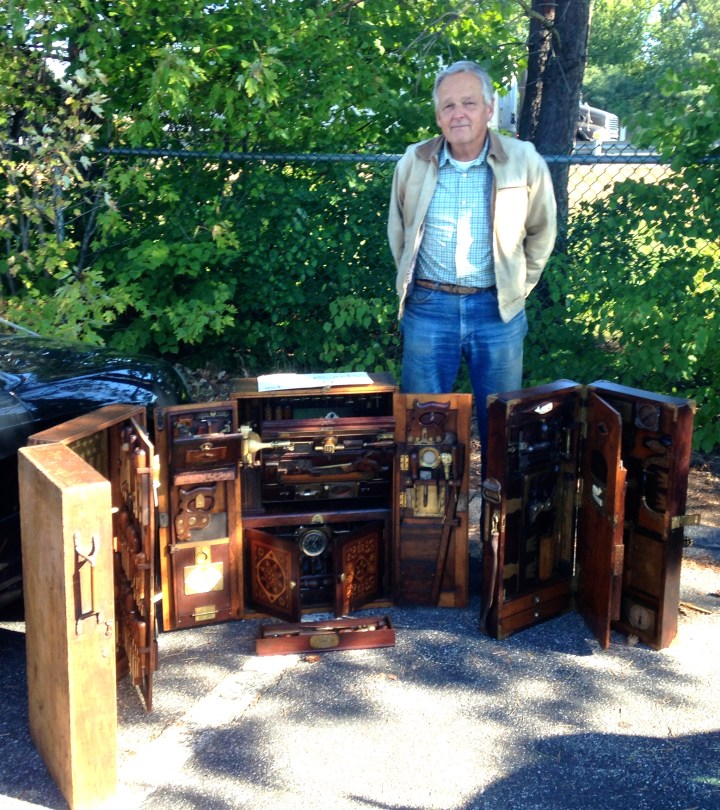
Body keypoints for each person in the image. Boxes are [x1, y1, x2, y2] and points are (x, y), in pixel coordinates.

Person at [387, 60, 557, 469]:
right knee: (422, 427)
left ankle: (497, 508)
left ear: (489, 108)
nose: (458, 113)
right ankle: (430, 508)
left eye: (469, 102)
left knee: (502, 426)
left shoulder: (523, 159)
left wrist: (517, 289)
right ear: (437, 115)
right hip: (429, 309)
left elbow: (542, 231)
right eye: (448, 105)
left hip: (497, 312)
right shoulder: (414, 160)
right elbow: (399, 231)